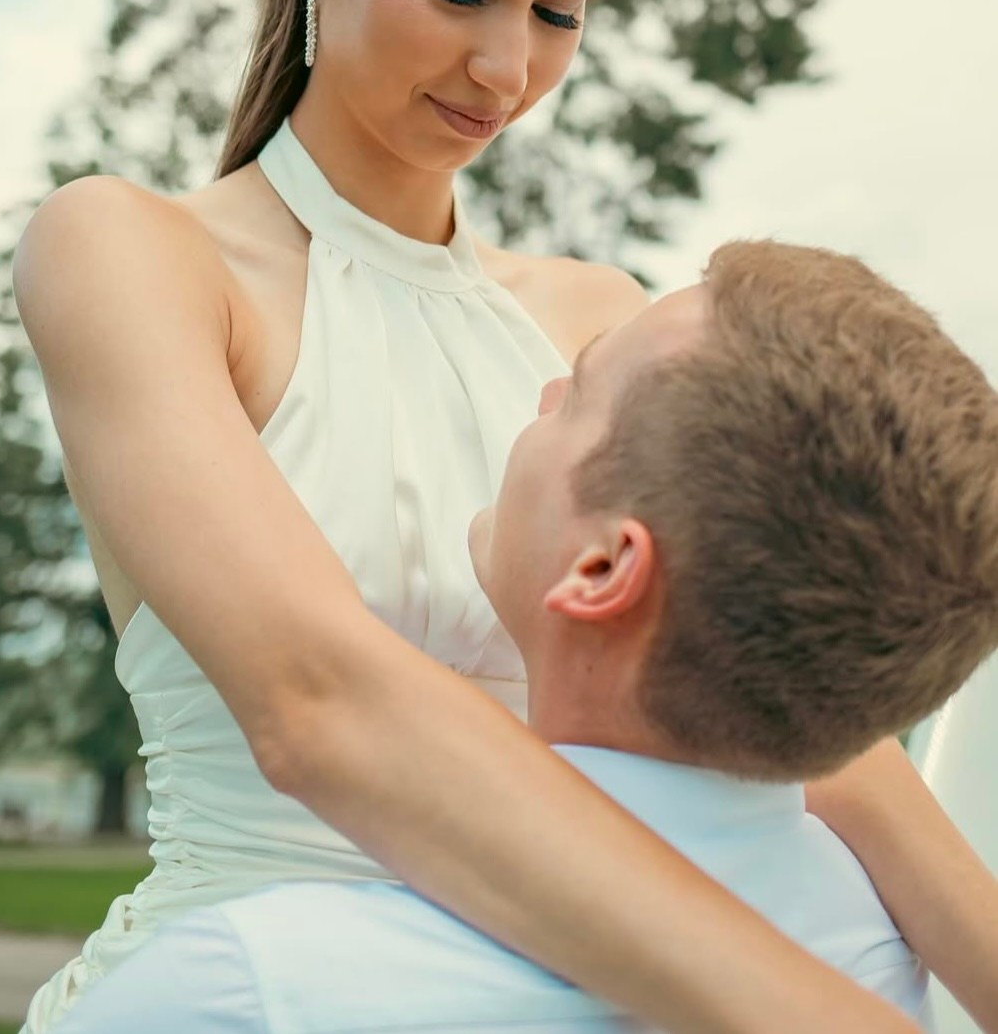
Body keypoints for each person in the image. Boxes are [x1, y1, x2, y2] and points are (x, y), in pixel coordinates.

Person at [9, 0, 970, 1034]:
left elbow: (830, 749)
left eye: (559, 9)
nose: (506, 69)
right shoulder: (133, 257)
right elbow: (316, 700)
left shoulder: (600, 316)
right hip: (247, 993)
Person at [54, 241, 998, 1034]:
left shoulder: (250, 992)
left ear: (599, 571)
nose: (543, 388)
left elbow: (320, 700)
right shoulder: (875, 933)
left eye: (581, 389)